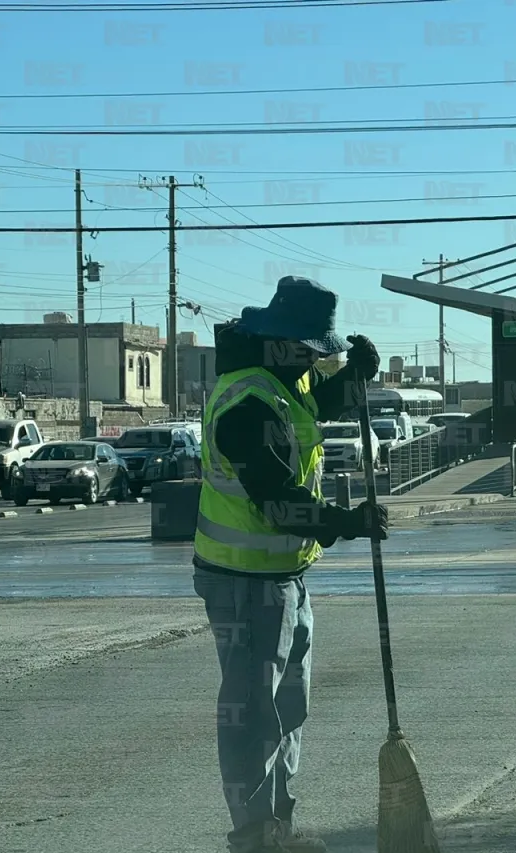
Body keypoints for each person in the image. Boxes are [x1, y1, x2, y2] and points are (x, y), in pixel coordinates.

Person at [194, 276, 389, 853]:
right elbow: (278, 502)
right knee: (254, 716)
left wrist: (356, 379)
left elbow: (315, 407)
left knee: (288, 708)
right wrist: (345, 522)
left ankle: (278, 824)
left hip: (285, 578)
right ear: (280, 341)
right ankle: (255, 837)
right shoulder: (247, 404)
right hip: (243, 582)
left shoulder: (284, 378)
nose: (314, 360)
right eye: (309, 349)